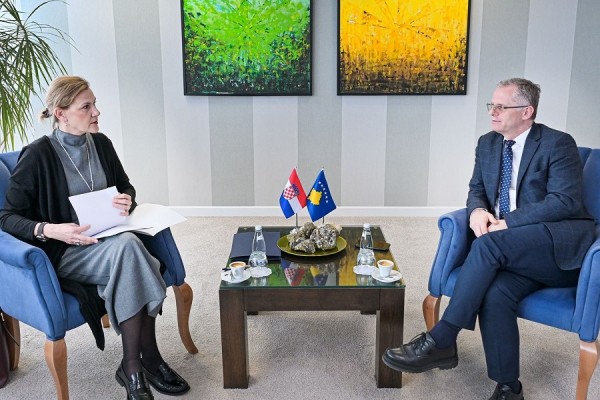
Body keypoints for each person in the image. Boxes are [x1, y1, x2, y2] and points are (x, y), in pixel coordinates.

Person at [382, 78, 595, 400]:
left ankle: (443, 338)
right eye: (491, 105)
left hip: (556, 249)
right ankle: (509, 387)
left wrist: (507, 223)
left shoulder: (557, 143)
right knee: (496, 293)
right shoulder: (488, 143)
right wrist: (478, 211)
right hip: (512, 252)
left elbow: (564, 202)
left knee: (487, 244)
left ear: (527, 111)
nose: (492, 112)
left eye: (501, 106)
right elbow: (477, 188)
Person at [0, 76, 190, 399]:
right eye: (86, 107)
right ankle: (145, 360)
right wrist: (49, 229)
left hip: (111, 238)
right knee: (135, 252)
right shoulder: (37, 155)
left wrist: (127, 199)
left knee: (131, 251)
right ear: (61, 114)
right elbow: (6, 217)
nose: (96, 112)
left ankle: (134, 367)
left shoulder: (101, 144)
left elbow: (125, 185)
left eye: (95, 104)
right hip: (68, 250)